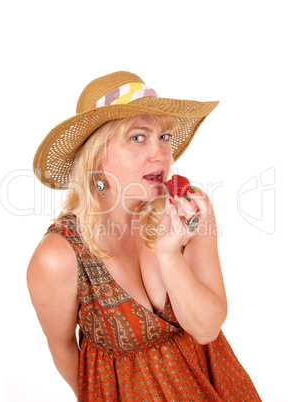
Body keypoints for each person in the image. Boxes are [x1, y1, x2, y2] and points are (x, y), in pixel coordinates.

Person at [27, 71, 261, 401]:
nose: (160, 154)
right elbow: (63, 348)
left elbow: (207, 328)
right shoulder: (59, 256)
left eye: (164, 137)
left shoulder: (189, 210)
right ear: (97, 156)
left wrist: (168, 254)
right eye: (138, 137)